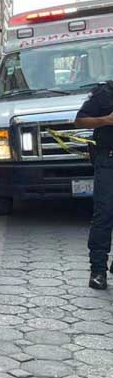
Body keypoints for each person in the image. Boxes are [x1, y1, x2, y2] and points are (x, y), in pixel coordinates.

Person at [74, 80, 113, 290]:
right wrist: (105, 120)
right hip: (108, 159)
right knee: (104, 214)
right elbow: (79, 121)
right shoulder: (104, 92)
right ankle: (98, 270)